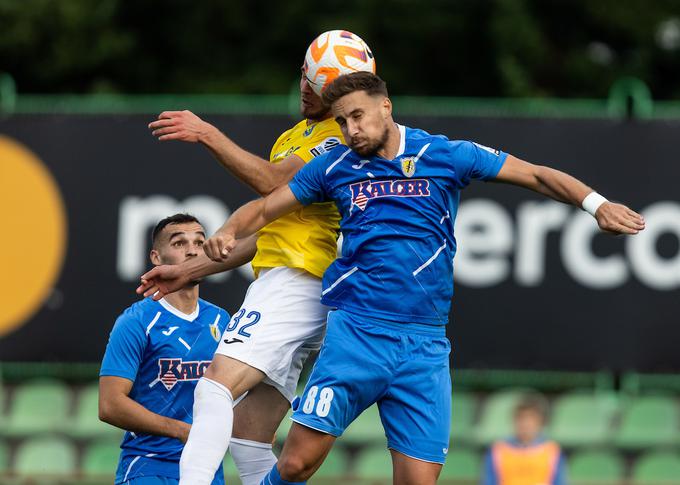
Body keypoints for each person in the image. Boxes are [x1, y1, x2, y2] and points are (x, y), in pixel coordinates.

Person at [196, 72, 644, 485]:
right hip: (356, 334)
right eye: (342, 121)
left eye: (358, 116)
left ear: (385, 107)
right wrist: (229, 229)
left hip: (423, 348)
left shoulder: (445, 154)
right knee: (296, 463)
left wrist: (596, 204)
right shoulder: (334, 167)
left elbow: (536, 175)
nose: (351, 130)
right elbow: (265, 207)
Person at [142, 32, 376, 485]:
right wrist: (188, 271)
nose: (305, 90)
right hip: (288, 279)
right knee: (249, 439)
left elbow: (271, 182)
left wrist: (206, 133)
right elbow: (263, 234)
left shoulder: (337, 138)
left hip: (297, 281)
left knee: (213, 388)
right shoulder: (294, 135)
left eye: (315, 85)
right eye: (304, 80)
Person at [99, 213, 255, 485]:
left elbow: (235, 391)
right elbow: (110, 405)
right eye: (180, 243)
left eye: (199, 241)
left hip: (207, 469)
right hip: (149, 467)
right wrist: (184, 431)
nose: (193, 250)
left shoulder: (222, 320)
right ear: (157, 258)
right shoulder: (137, 322)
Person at [482, 396, 567, 485]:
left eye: (531, 419)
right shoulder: (497, 450)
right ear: (514, 421)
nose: (525, 424)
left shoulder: (552, 451)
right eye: (521, 418)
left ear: (541, 422)